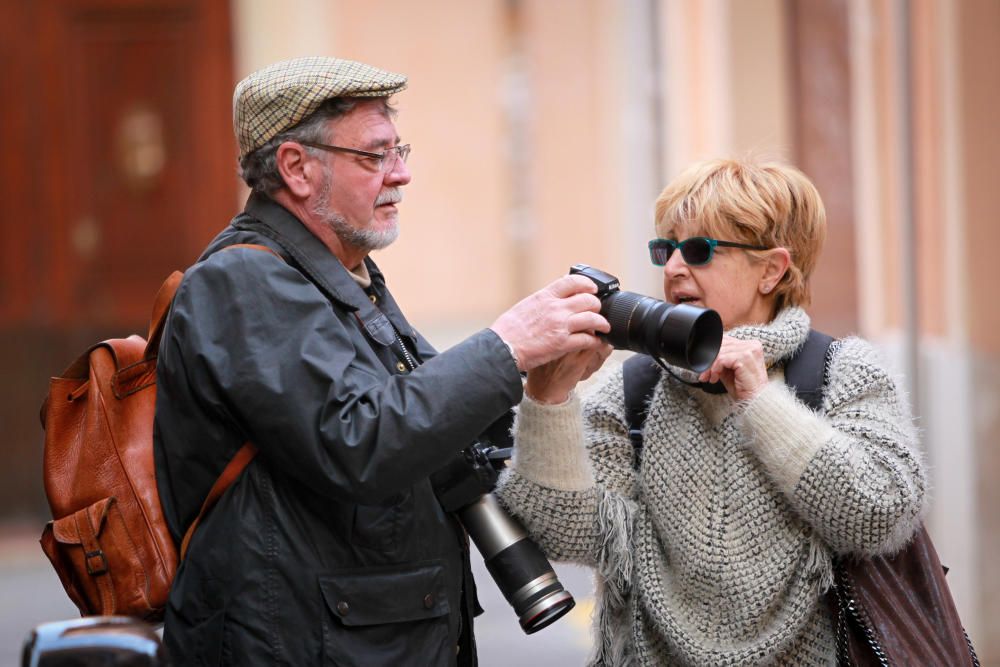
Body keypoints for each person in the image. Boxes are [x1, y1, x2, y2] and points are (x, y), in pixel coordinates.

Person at [152, 56, 609, 666]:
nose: (403, 175)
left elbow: (434, 432)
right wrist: (507, 345)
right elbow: (359, 440)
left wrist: (543, 387)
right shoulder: (241, 282)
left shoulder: (339, 274)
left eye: (401, 150)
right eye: (375, 156)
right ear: (296, 168)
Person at [495, 157, 927, 665]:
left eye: (699, 250)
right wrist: (549, 400)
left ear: (772, 270)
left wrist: (760, 402)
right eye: (666, 249)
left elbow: (877, 516)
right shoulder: (634, 388)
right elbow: (565, 533)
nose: (674, 268)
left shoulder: (841, 373)